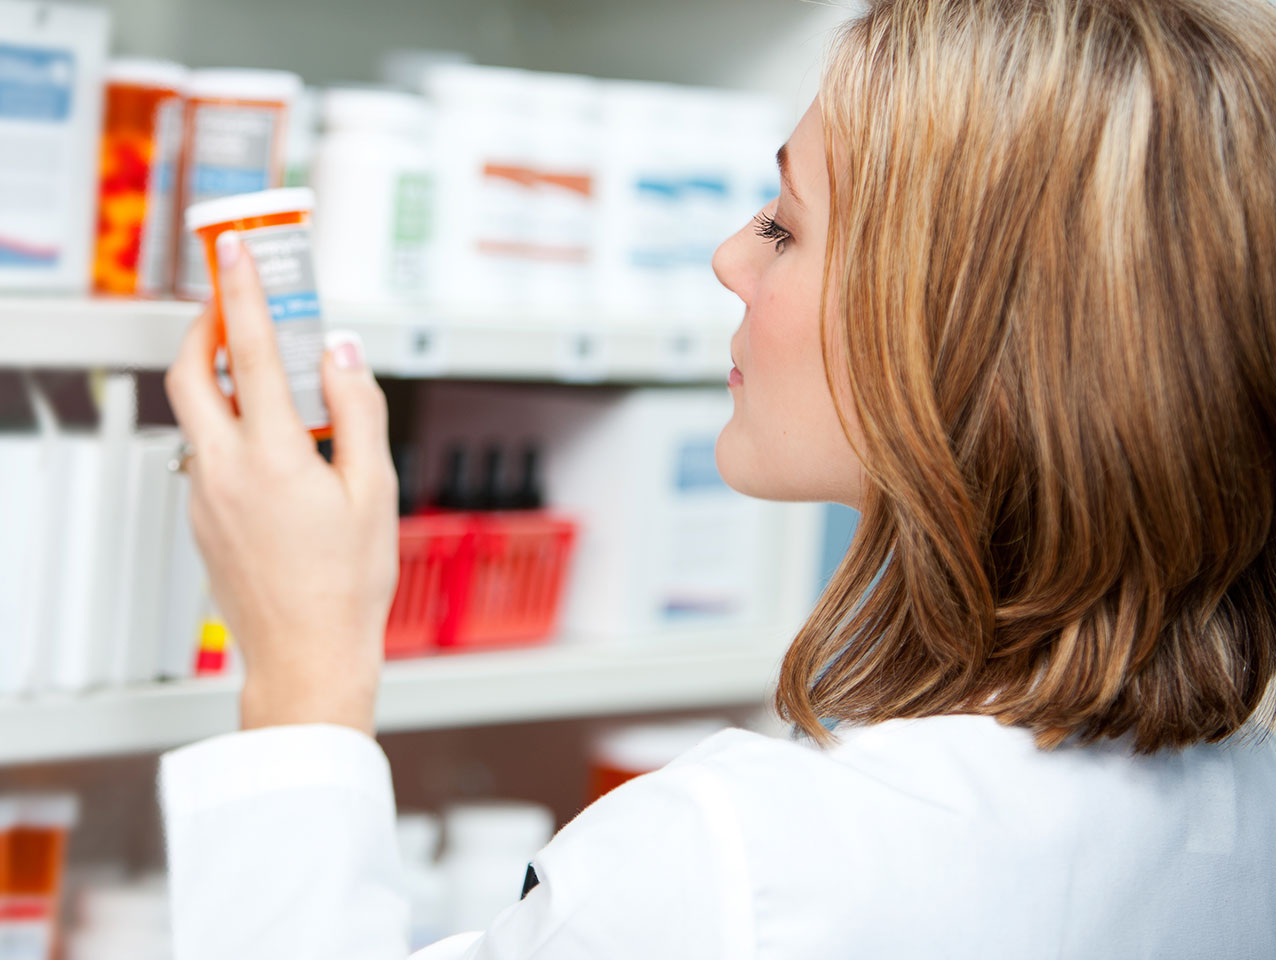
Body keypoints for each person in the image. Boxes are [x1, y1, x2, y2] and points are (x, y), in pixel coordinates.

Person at [158, 0, 1276, 956]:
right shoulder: (1242, 810)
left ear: (961, 335)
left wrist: (302, 672)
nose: (729, 258)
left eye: (785, 227)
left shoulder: (740, 871)